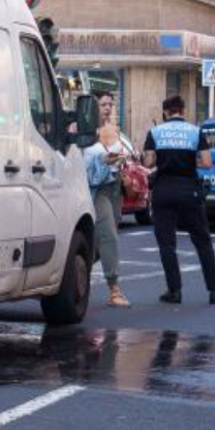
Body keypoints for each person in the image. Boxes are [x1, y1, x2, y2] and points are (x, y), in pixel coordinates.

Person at [142, 95, 215, 304]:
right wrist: (188, 157)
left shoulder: (155, 132)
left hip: (163, 190)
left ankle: (174, 291)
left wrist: (162, 157)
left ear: (165, 113)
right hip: (189, 190)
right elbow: (205, 162)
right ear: (183, 111)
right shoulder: (196, 132)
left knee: (167, 243)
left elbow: (148, 162)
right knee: (203, 240)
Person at [83, 123, 130, 307]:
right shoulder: (84, 130)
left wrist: (122, 164)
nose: (108, 108)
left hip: (114, 186)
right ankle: (114, 289)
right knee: (108, 235)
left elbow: (123, 157)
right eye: (103, 104)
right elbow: (90, 159)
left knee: (101, 240)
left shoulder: (115, 130)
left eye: (110, 104)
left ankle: (76, 273)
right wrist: (107, 159)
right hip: (96, 190)